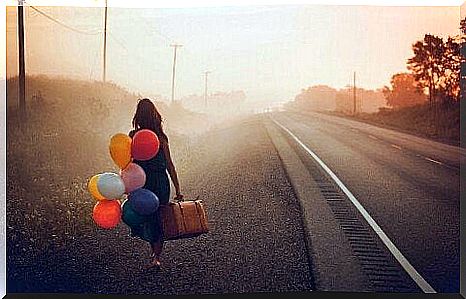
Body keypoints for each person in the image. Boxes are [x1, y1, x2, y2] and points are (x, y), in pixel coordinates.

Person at [128, 98, 183, 269]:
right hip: (160, 183)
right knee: (160, 219)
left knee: (149, 218)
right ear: (154, 115)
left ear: (138, 116)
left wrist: (127, 185)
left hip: (141, 183)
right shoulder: (161, 138)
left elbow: (128, 164)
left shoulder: (133, 136)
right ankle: (156, 256)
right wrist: (178, 188)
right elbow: (169, 165)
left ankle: (154, 253)